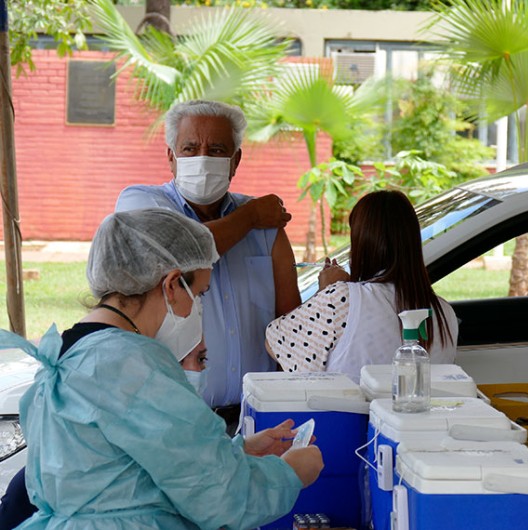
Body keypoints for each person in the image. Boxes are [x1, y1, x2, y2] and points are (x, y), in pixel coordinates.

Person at [0, 209, 323, 529]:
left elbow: (125, 466)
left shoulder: (69, 350)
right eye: (200, 294)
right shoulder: (131, 363)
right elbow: (219, 498)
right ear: (171, 285)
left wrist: (237, 451)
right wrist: (290, 473)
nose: (198, 307)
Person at [115, 99, 301, 425]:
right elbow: (183, 251)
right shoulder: (140, 203)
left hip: (257, 422)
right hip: (175, 425)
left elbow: (291, 328)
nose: (202, 158)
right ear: (171, 157)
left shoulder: (267, 230)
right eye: (189, 148)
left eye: (216, 149)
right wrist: (252, 216)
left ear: (235, 161)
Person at [0, 339, 211, 529]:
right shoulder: (33, 490)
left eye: (201, 359)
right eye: (177, 361)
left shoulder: (200, 461)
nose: (194, 371)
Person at [265, 190, 458, 383]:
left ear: (362, 244)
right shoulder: (444, 313)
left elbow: (275, 344)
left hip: (347, 413)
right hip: (413, 412)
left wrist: (325, 293)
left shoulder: (340, 299)